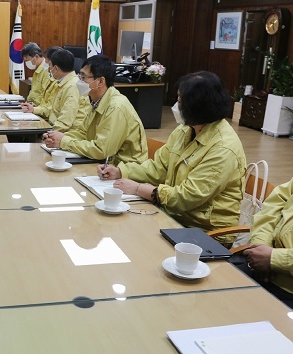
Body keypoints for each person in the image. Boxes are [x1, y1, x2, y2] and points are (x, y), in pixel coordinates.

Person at [98, 71, 246, 243]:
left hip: (204, 232)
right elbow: (158, 167)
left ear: (196, 107)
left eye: (180, 101)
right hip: (175, 216)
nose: (176, 106)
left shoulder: (223, 148)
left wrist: (139, 189)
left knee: (132, 241)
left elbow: (188, 197)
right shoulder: (186, 129)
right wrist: (120, 171)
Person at [43, 55, 148, 163]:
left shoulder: (116, 107)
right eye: (80, 76)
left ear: (101, 81)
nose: (79, 81)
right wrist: (58, 136)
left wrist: (64, 141)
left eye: (83, 77)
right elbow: (83, 133)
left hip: (123, 170)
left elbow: (101, 150)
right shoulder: (95, 100)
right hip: (104, 164)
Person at [241, 178, 293, 307]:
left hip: (287, 287)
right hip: (265, 268)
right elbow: (269, 212)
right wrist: (262, 245)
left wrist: (272, 259)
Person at [21, 48, 86, 132]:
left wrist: (49, 133)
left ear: (56, 68)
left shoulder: (72, 87)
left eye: (50, 66)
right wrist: (34, 109)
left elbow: (65, 121)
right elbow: (54, 110)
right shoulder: (63, 83)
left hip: (68, 134)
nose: (49, 69)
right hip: (55, 127)